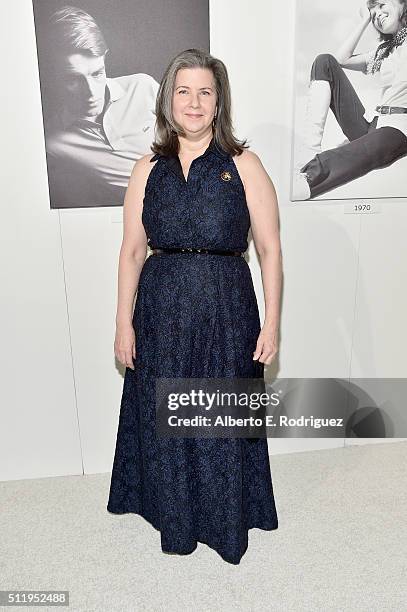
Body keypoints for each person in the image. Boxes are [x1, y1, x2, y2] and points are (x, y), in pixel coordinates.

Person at [106, 48, 282, 564]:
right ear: (168, 99)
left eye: (205, 91)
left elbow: (269, 249)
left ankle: (224, 522)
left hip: (227, 307)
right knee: (166, 414)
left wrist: (272, 323)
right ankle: (175, 518)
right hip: (160, 308)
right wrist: (123, 322)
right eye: (183, 90)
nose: (194, 101)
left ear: (219, 101)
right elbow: (132, 251)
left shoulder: (245, 164)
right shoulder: (146, 168)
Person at [40, 6, 159, 208]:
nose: (91, 92)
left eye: (97, 73)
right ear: (54, 76)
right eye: (73, 79)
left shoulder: (143, 86)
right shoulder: (51, 141)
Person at [293, 0, 407, 200]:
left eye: (382, 5)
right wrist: (364, 22)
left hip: (400, 128)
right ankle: (309, 152)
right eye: (373, 10)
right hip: (375, 125)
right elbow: (340, 60)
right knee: (324, 61)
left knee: (370, 146)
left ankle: (307, 179)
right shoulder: (383, 52)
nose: (377, 13)